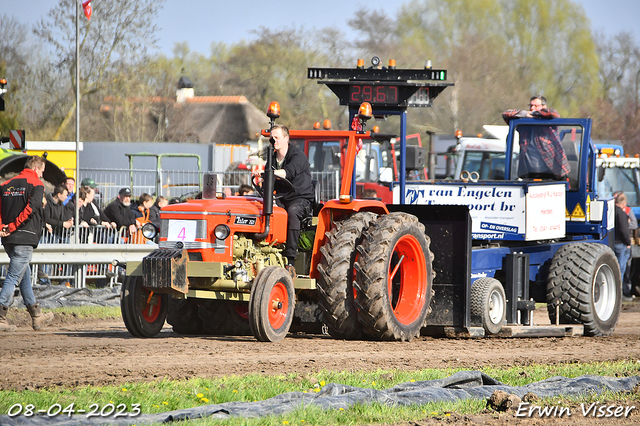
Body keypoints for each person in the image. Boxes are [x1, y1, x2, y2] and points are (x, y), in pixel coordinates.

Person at [0, 155, 54, 332]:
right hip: (24, 236)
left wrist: (3, 227)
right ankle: (0, 315)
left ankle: (36, 315)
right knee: (14, 276)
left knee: (24, 276)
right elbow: (32, 208)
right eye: (42, 172)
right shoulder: (37, 184)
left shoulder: (6, 184)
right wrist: (14, 225)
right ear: (37, 169)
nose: (42, 175)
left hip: (8, 237)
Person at [259, 124, 315, 277]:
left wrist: (268, 173)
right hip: (282, 197)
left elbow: (288, 172)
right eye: (272, 137)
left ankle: (290, 260)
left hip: (300, 198)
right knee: (262, 208)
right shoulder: (272, 157)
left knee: (293, 212)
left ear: (286, 139)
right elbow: (268, 182)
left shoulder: (297, 156)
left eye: (276, 137)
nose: (273, 140)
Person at [503, 95, 570, 180]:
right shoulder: (523, 125)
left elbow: (554, 113)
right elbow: (506, 114)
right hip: (530, 173)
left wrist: (536, 114)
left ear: (544, 106)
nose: (532, 108)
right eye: (531, 105)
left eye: (536, 106)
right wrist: (526, 114)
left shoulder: (549, 123)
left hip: (553, 171)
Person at [614, 193, 633, 300]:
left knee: (615, 268)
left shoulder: (610, 211)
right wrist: (628, 242)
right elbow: (624, 230)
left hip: (613, 243)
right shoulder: (621, 213)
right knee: (620, 269)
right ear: (624, 203)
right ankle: (619, 294)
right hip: (621, 244)